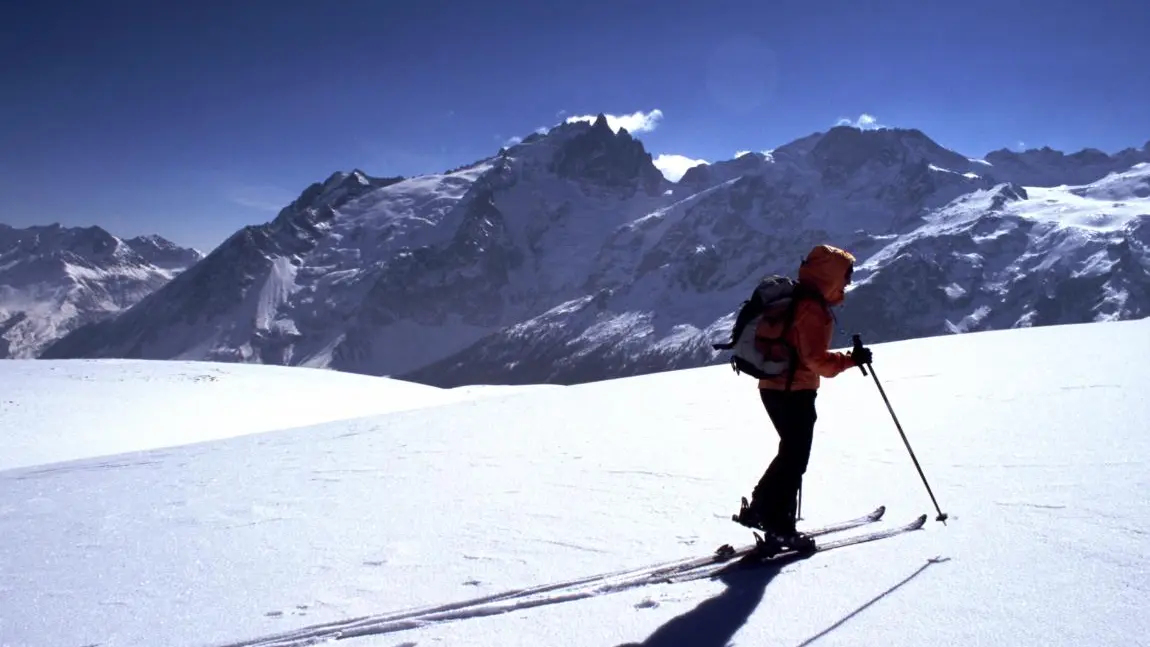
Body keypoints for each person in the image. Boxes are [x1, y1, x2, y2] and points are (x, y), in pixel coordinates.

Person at [735, 244, 873, 547]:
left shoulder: (800, 299)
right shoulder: (812, 309)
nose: (848, 282)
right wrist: (852, 360)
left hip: (773, 386)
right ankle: (777, 524)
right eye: (846, 276)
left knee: (791, 454)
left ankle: (761, 509)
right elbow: (816, 361)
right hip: (793, 391)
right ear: (832, 276)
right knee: (795, 458)